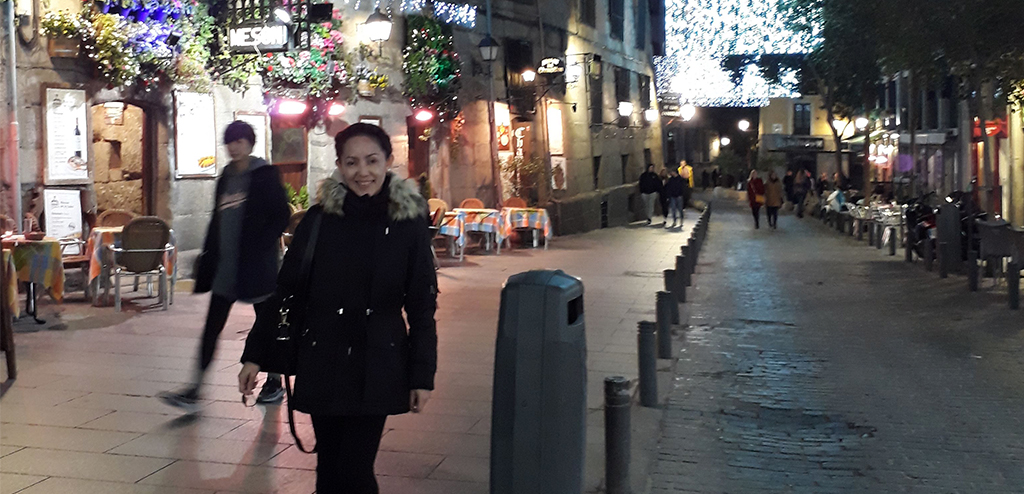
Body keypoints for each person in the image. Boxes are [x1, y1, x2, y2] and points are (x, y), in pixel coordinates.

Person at [238, 123, 437, 494]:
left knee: (356, 470)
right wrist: (255, 356)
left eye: (372, 161)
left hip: (378, 361)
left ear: (388, 162)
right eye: (352, 162)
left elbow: (422, 306)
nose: (363, 172)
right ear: (340, 166)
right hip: (323, 358)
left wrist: (422, 375)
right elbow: (285, 292)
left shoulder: (408, 225)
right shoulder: (317, 221)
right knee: (329, 467)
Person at [159, 121, 290, 412]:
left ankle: (274, 381)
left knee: (267, 323)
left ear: (250, 144)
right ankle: (195, 389)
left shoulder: (265, 175)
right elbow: (218, 220)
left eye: (240, 141)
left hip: (258, 267)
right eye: (230, 141)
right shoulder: (225, 177)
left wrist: (262, 247)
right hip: (227, 268)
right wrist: (210, 255)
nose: (234, 147)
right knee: (211, 329)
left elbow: (281, 215)